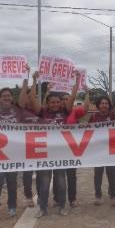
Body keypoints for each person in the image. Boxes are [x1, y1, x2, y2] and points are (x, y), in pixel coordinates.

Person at [28, 71, 83, 218]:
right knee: (44, 184)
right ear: (48, 103)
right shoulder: (43, 112)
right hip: (45, 153)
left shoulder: (65, 112)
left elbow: (72, 97)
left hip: (61, 153)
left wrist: (77, 80)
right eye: (52, 102)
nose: (55, 104)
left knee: (61, 183)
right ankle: (43, 209)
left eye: (57, 102)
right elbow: (32, 99)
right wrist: (34, 80)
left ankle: (62, 207)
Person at [0, 64, 24, 220]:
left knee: (12, 183)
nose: (7, 98)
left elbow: (24, 93)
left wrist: (26, 76)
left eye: (9, 96)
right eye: (4, 96)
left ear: (12, 98)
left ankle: (12, 207)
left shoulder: (17, 109)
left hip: (13, 153)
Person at [90, 96, 115, 206]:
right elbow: (88, 131)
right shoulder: (93, 116)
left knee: (113, 174)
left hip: (111, 149)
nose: (104, 105)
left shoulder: (113, 116)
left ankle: (113, 195)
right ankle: (98, 196)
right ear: (98, 105)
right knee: (98, 175)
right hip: (98, 151)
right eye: (102, 103)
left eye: (106, 103)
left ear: (109, 105)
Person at [17, 72, 41, 208]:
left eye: (34, 98)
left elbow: (33, 97)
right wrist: (31, 79)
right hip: (25, 147)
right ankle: (28, 196)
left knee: (40, 174)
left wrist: (34, 80)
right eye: (28, 98)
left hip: (39, 147)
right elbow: (22, 98)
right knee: (27, 174)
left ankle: (40, 195)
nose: (31, 100)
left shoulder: (39, 111)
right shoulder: (21, 110)